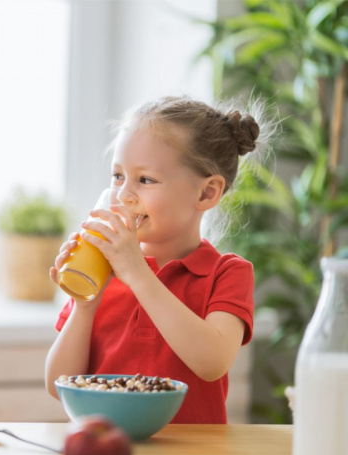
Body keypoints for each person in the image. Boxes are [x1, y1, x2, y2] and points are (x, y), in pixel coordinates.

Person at [45, 96, 268, 423]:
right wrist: (85, 305)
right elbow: (57, 384)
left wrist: (137, 273)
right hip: (107, 453)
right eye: (118, 175)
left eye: (145, 180)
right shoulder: (104, 270)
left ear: (206, 193)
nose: (123, 195)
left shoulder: (227, 273)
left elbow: (212, 362)